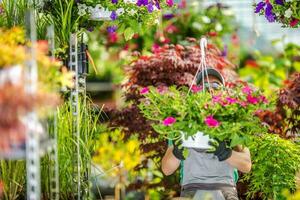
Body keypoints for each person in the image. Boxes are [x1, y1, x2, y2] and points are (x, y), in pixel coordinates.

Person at [161, 68, 251, 200]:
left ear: (224, 92)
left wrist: (225, 153)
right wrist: (177, 151)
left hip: (225, 189)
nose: (210, 90)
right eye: (204, 86)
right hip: (191, 188)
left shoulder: (233, 122)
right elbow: (167, 169)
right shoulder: (182, 122)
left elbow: (246, 165)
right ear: (196, 92)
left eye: (215, 85)